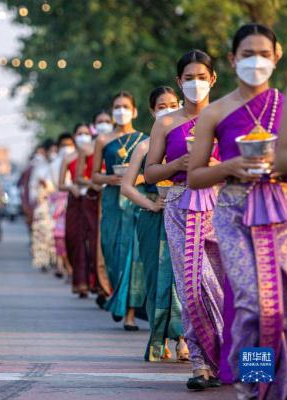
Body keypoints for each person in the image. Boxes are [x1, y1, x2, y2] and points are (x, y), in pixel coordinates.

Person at [188, 24, 287, 399]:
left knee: (284, 306)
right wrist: (229, 167)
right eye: (248, 54)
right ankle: (253, 384)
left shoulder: (286, 105)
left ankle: (282, 387)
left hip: (282, 210)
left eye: (264, 54)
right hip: (234, 210)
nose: (256, 61)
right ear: (232, 60)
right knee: (252, 302)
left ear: (277, 57)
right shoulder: (215, 112)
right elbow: (196, 175)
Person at [145, 50, 225, 390]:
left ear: (214, 79)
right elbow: (149, 173)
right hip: (181, 207)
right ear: (180, 82)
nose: (196, 83)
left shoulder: (229, 115)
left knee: (239, 290)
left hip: (226, 209)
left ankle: (251, 369)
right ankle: (200, 364)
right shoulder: (166, 122)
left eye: (201, 77)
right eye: (189, 78)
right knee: (192, 287)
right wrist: (178, 165)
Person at [121, 86, 186, 362]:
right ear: (151, 111)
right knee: (155, 280)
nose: (168, 110)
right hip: (152, 218)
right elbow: (126, 186)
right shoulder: (145, 146)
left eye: (173, 104)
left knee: (181, 280)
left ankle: (184, 339)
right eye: (162, 106)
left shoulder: (188, 140)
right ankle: (159, 341)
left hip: (183, 214)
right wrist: (150, 204)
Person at [90, 93, 147, 330]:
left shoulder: (145, 140)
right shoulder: (103, 140)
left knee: (132, 256)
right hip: (112, 201)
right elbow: (94, 177)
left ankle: (129, 313)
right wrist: (110, 178)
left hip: (136, 200)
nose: (120, 111)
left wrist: (135, 178)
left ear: (134, 111)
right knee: (112, 253)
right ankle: (117, 298)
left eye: (125, 107)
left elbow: (153, 173)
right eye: (117, 107)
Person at [63, 122, 106, 299]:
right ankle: (81, 281)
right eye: (79, 133)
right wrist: (94, 183)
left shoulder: (106, 147)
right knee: (78, 241)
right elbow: (77, 178)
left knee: (98, 241)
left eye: (85, 133)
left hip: (100, 199)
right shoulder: (74, 155)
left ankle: (99, 283)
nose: (83, 136)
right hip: (80, 199)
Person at [49, 132, 75, 279]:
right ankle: (64, 266)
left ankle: (68, 267)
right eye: (64, 145)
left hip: (75, 202)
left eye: (70, 145)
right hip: (58, 206)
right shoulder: (53, 165)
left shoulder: (79, 160)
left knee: (72, 237)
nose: (67, 148)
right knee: (59, 237)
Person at [29, 139, 56, 271]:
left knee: (55, 235)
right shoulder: (39, 168)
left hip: (58, 205)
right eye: (51, 151)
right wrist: (37, 198)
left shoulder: (60, 165)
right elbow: (32, 188)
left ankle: (56, 261)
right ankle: (43, 261)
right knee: (42, 234)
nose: (53, 153)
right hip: (43, 205)